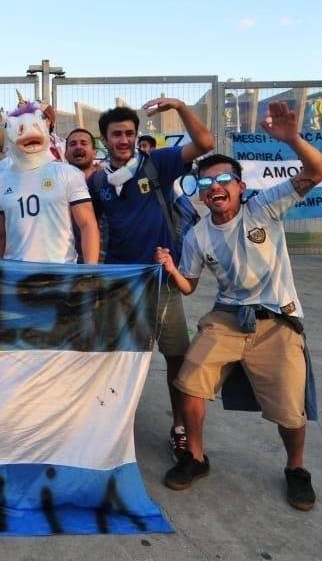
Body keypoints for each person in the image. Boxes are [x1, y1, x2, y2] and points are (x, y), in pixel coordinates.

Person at [156, 101, 322, 511]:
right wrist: (168, 266)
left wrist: (291, 139)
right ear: (198, 193)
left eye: (223, 180)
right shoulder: (197, 235)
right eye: (205, 183)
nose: (214, 188)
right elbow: (189, 286)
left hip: (277, 319)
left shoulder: (264, 208)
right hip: (227, 317)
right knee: (189, 381)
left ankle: (296, 469)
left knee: (290, 408)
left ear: (239, 186)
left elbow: (318, 172)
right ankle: (195, 458)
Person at [91, 98, 214, 460]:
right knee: (117, 358)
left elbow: (206, 144)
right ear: (105, 139)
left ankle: (179, 427)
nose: (124, 140)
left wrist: (177, 106)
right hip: (119, 284)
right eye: (116, 134)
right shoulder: (98, 180)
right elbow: (90, 228)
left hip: (161, 280)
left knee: (175, 356)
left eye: (129, 133)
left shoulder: (157, 163)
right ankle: (113, 426)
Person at [0, 103, 99, 264]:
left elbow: (87, 225)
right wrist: (0, 274)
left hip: (61, 277)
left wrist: (91, 273)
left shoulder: (68, 173)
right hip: (18, 280)